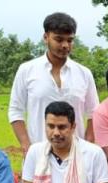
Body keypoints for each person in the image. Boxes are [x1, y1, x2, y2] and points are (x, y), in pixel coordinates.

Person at [9, 12, 99, 151]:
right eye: (59, 39)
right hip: (39, 152)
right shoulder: (27, 70)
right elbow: (15, 111)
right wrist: (27, 147)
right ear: (46, 37)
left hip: (76, 153)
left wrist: (88, 145)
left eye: (70, 40)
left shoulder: (84, 73)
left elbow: (94, 113)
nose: (65, 45)